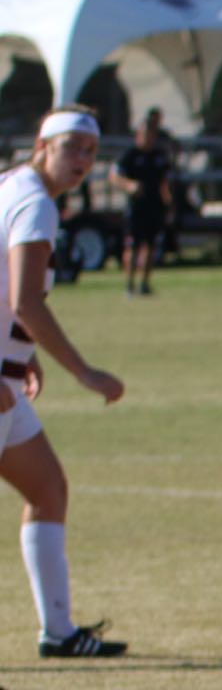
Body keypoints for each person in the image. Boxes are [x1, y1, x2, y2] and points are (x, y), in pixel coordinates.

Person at [2, 106, 128, 658]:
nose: (81, 160)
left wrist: (18, 353)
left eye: (91, 151)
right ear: (42, 144)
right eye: (72, 146)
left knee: (47, 489)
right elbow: (25, 300)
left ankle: (59, 632)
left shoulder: (13, 186)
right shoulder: (34, 203)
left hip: (5, 380)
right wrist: (84, 371)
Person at [113, 112, 173, 297]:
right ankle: (129, 285)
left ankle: (145, 284)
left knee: (151, 245)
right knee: (133, 245)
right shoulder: (130, 155)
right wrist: (130, 185)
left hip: (154, 206)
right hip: (136, 207)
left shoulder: (159, 155)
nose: (148, 139)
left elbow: (165, 182)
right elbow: (114, 176)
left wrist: (169, 204)